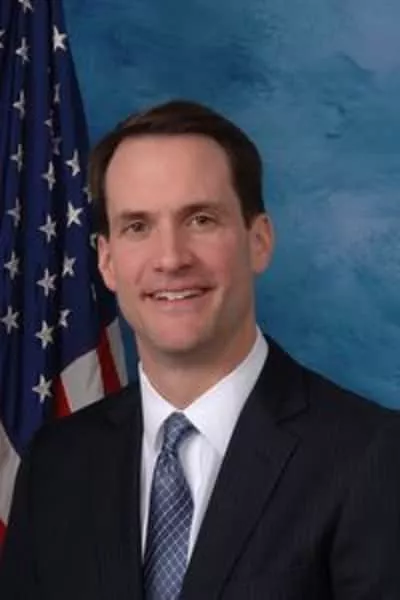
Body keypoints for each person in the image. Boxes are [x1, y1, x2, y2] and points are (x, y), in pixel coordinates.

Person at [1, 100, 400, 600]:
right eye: (138, 226)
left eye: (201, 219)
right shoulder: (56, 463)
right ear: (106, 261)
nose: (170, 259)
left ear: (259, 240)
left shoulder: (373, 459)